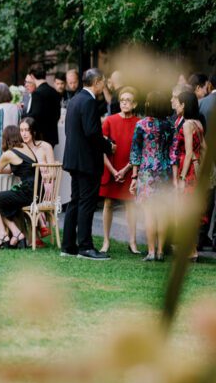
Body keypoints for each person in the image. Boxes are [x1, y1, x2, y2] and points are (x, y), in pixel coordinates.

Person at [0, 119, 55, 249]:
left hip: (28, 192)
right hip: (39, 191)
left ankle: (3, 234)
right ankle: (16, 233)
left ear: (5, 139)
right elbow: (12, 169)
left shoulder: (9, 154)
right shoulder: (26, 148)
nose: (24, 134)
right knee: (1, 202)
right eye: (21, 131)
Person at [62, 68, 110, 260]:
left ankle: (67, 245)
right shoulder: (89, 101)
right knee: (86, 203)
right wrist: (108, 146)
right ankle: (85, 247)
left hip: (74, 159)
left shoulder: (74, 100)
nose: (104, 85)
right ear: (96, 82)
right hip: (87, 160)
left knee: (75, 201)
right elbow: (91, 132)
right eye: (103, 81)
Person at [129, 92, 176, 262]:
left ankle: (150, 252)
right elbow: (173, 152)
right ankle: (161, 251)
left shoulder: (141, 124)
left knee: (149, 213)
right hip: (165, 172)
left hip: (146, 173)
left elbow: (136, 152)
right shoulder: (170, 125)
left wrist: (134, 176)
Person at [100, 87, 141, 254]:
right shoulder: (109, 121)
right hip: (111, 168)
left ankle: (132, 242)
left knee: (131, 205)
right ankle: (106, 241)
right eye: (122, 99)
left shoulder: (139, 123)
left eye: (128, 100)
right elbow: (101, 148)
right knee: (108, 203)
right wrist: (113, 170)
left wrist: (125, 170)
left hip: (130, 169)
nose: (124, 102)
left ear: (135, 103)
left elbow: (139, 150)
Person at [171, 90, 206, 261]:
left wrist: (183, 178)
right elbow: (204, 148)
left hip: (189, 168)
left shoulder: (186, 124)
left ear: (184, 105)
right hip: (197, 167)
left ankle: (191, 251)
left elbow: (189, 150)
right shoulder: (198, 123)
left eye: (177, 102)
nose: (175, 104)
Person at [24, 65, 62, 147]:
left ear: (33, 76)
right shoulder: (54, 92)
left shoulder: (37, 93)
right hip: (52, 135)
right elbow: (57, 115)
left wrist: (23, 115)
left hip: (40, 136)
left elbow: (35, 116)